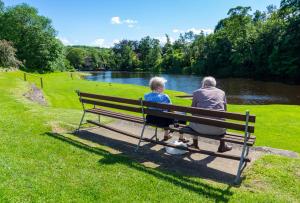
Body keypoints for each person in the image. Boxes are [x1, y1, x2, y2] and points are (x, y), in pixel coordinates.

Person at [189, 76, 232, 153]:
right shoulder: (222, 92)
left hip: (199, 129)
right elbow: (225, 112)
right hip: (219, 130)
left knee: (193, 119)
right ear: (214, 85)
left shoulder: (196, 92)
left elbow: (192, 111)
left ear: (204, 84)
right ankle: (222, 146)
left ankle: (195, 144)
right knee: (222, 121)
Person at [144, 77, 174, 141]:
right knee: (172, 115)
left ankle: (166, 134)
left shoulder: (147, 96)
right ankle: (167, 134)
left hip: (150, 119)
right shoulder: (164, 97)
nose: (164, 88)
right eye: (163, 86)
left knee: (165, 114)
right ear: (159, 87)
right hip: (161, 121)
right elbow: (171, 108)